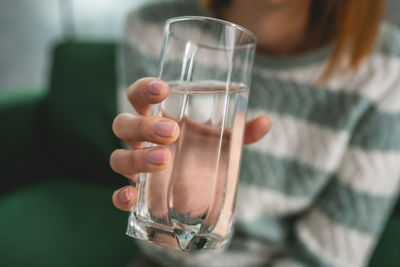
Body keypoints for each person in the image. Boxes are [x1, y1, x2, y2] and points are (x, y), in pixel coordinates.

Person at [110, 0, 400, 266]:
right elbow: (161, 237)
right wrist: (179, 205)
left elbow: (327, 257)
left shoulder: (387, 69)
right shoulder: (153, 29)